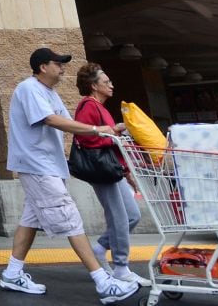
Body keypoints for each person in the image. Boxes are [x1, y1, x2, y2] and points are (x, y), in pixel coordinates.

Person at [0, 48, 141, 303]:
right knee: (71, 219)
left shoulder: (50, 93)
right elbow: (52, 120)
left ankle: (12, 272)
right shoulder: (28, 89)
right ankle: (103, 282)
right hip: (37, 166)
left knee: (30, 220)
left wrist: (112, 129)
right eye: (58, 63)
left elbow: (72, 124)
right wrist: (98, 129)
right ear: (43, 67)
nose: (63, 68)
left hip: (47, 166)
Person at [74, 63, 150, 287]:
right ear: (94, 85)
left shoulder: (102, 108)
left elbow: (111, 144)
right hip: (102, 171)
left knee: (132, 216)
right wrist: (113, 133)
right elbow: (84, 137)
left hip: (112, 169)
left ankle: (99, 249)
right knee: (119, 217)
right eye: (106, 82)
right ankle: (121, 267)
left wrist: (126, 171)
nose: (111, 85)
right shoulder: (88, 106)